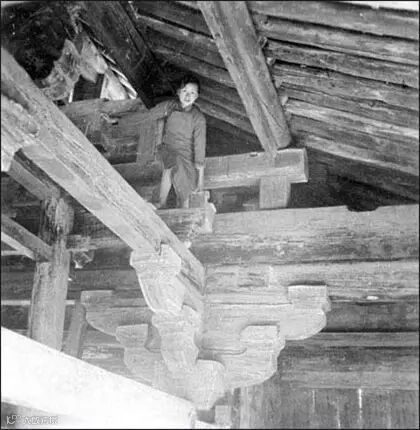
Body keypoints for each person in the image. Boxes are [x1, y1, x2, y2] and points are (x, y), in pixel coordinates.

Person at [155, 75, 206, 209]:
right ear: (178, 92)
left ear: (197, 96)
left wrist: (201, 180)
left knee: (187, 187)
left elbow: (200, 147)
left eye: (192, 93)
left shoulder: (198, 118)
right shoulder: (170, 106)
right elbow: (152, 117)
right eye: (185, 91)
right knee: (171, 163)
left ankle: (182, 210)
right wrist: (119, 120)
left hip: (187, 156)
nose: (188, 96)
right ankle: (161, 203)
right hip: (168, 149)